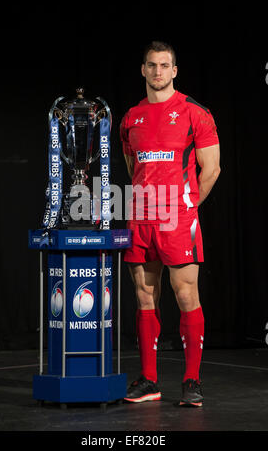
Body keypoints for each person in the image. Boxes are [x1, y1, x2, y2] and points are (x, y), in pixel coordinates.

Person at [119, 41, 220, 406]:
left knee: (185, 294)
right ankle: (149, 380)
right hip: (141, 220)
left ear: (174, 70)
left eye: (165, 65)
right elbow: (134, 169)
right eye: (152, 65)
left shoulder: (196, 112)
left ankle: (191, 381)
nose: (158, 71)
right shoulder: (131, 117)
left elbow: (212, 169)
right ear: (143, 70)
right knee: (145, 296)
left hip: (178, 221)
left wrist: (187, 206)